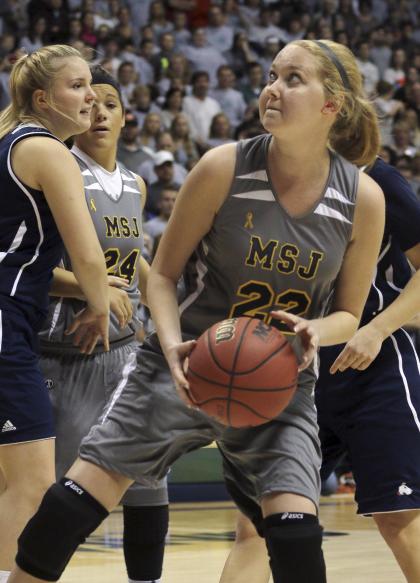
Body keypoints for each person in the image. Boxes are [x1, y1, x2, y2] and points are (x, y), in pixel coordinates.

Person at [8, 39, 385, 583]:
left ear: (334, 105)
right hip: (181, 360)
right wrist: (169, 345)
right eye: (271, 75)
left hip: (277, 382)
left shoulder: (363, 200)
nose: (272, 88)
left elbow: (349, 314)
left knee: (297, 537)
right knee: (70, 506)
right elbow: (160, 274)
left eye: (293, 79)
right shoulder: (222, 167)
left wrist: (313, 329)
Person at [218, 162, 420, 583]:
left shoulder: (376, 180)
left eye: (291, 88)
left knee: (397, 514)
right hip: (290, 374)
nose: (275, 93)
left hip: (373, 371)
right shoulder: (259, 179)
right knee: (257, 526)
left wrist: (377, 329)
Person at [38, 65, 169, 583]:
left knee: (148, 477)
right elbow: (34, 265)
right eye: (89, 102)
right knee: (55, 486)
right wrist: (96, 290)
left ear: (124, 116)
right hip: (66, 349)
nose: (98, 112)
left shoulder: (135, 182)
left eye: (109, 104)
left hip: (126, 351)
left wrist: (157, 308)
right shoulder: (57, 167)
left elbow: (133, 256)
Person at [0, 44, 110, 583]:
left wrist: (89, 287)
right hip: (4, 324)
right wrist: (102, 302)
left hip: (11, 312)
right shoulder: (47, 149)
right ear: (43, 99)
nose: (90, 97)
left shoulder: (6, 142)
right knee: (32, 481)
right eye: (77, 86)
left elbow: (21, 255)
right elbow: (86, 252)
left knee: (7, 480)